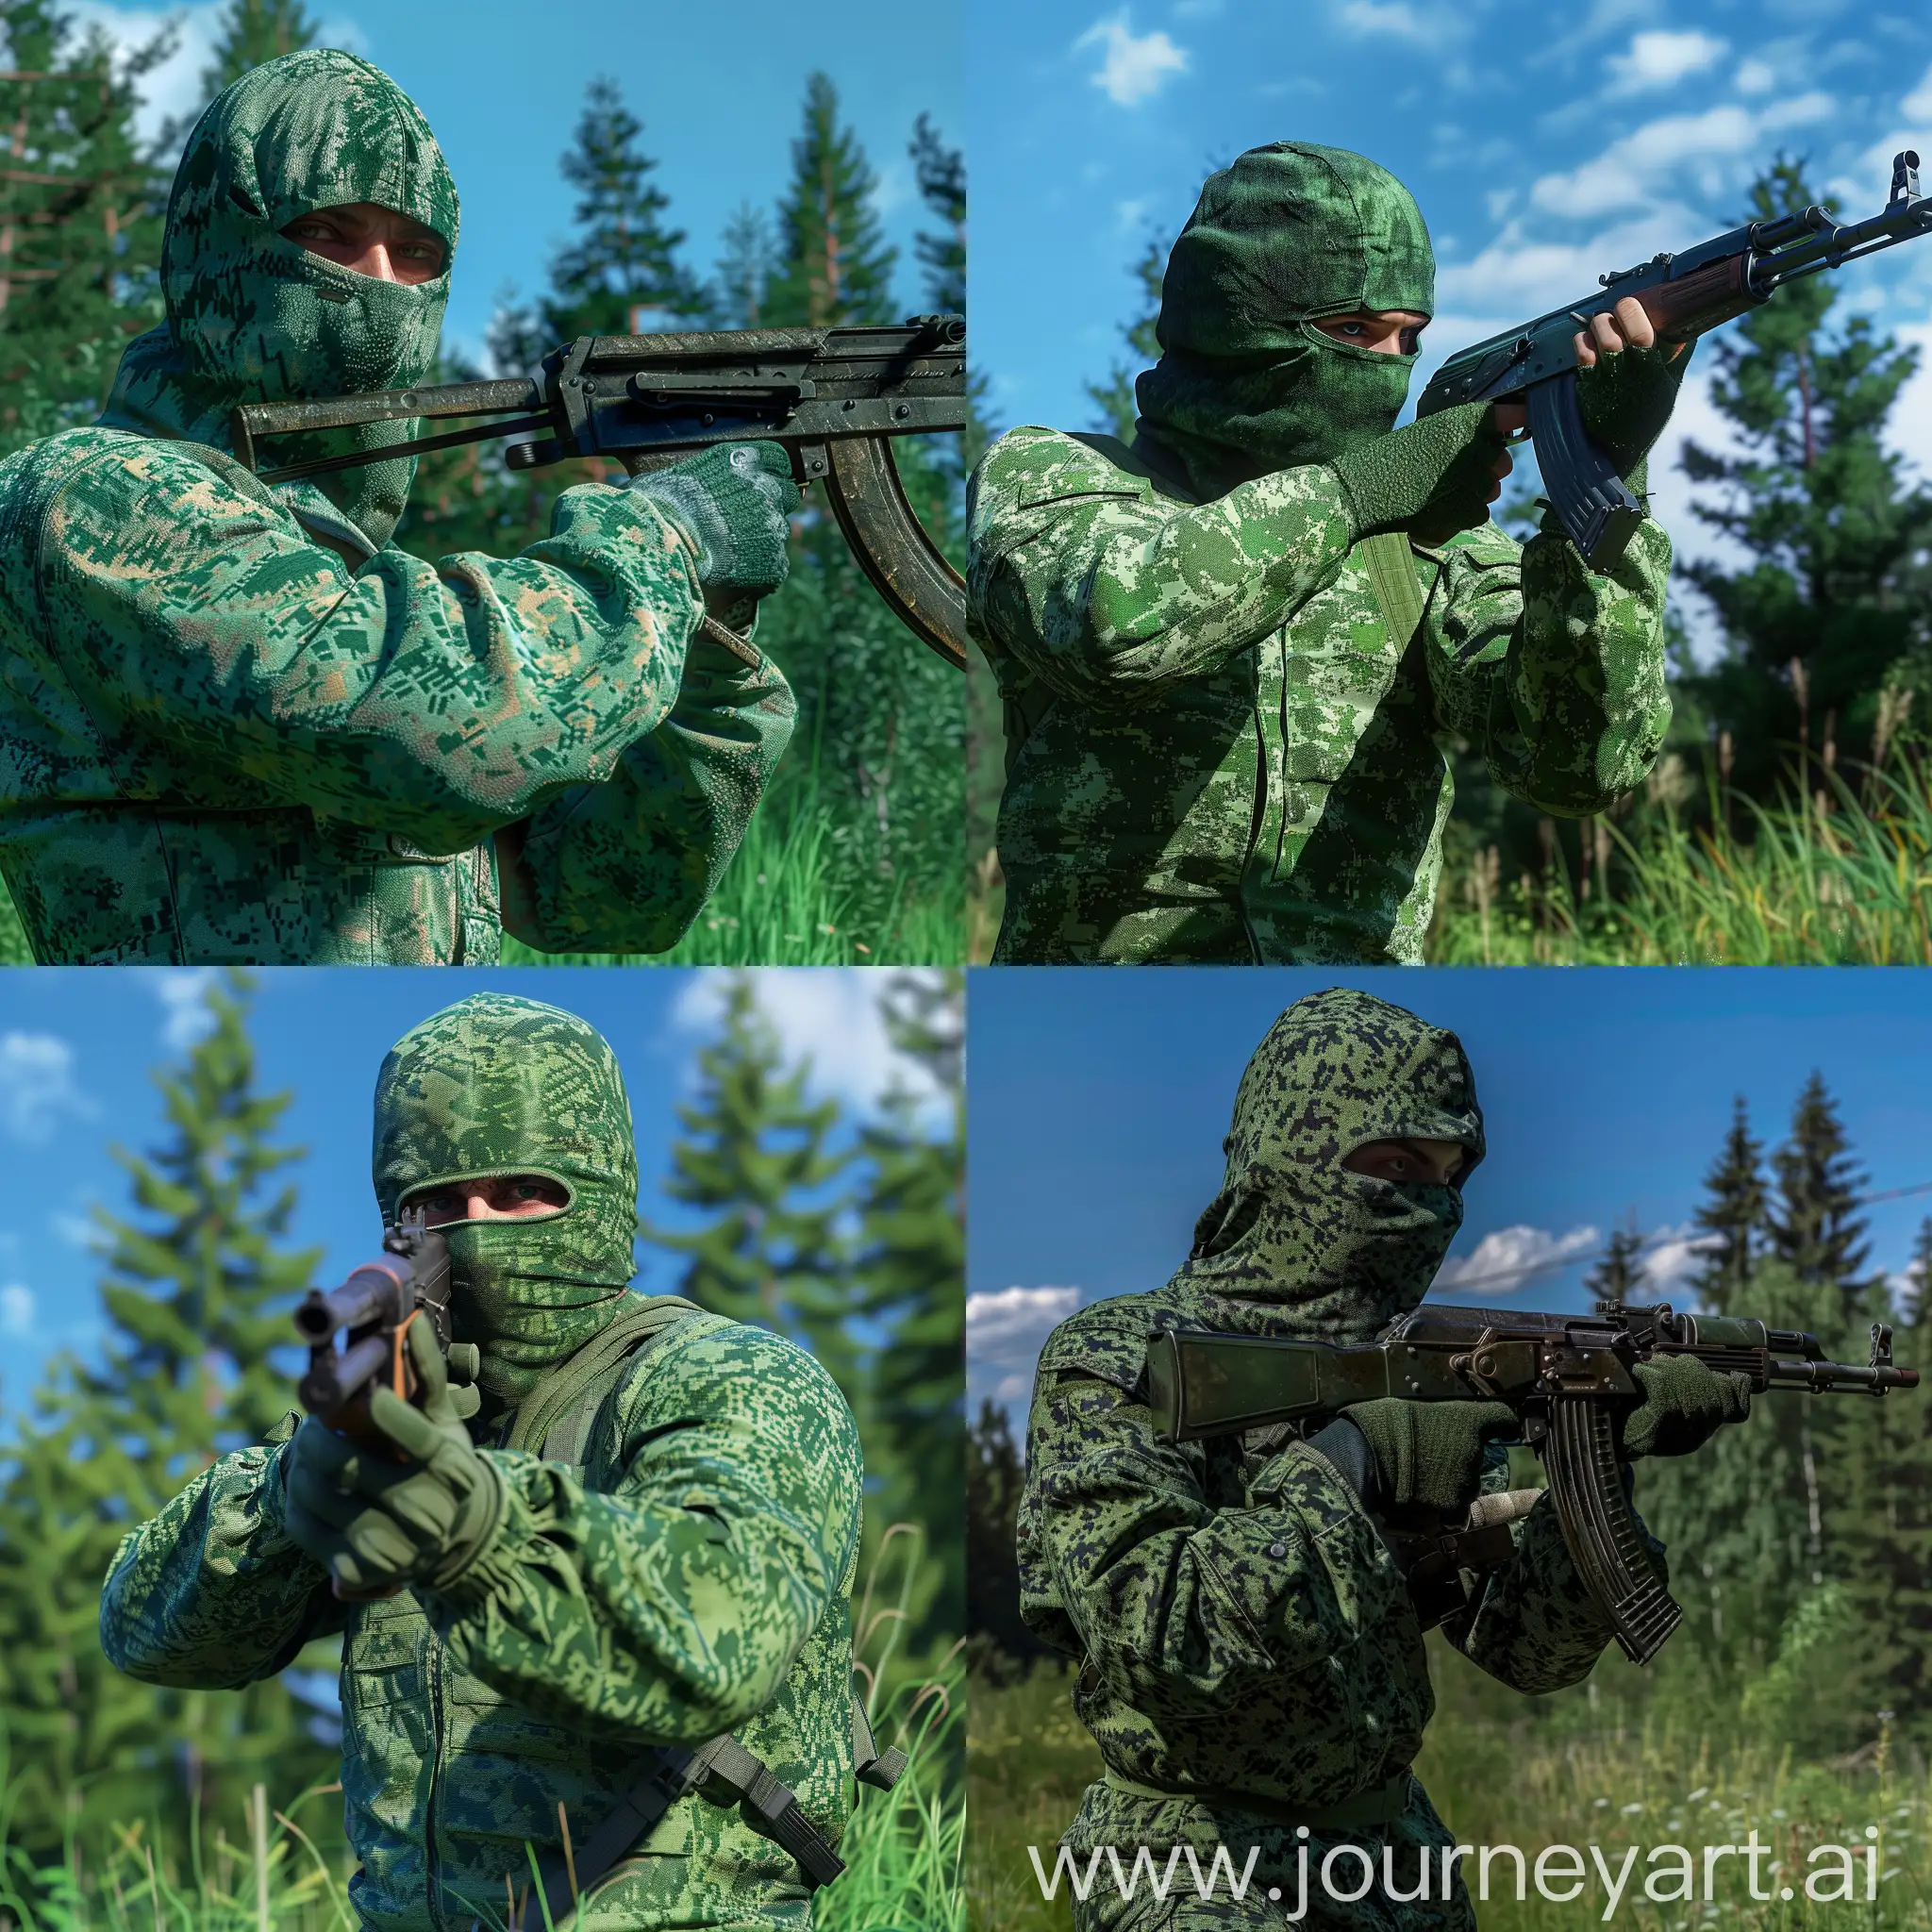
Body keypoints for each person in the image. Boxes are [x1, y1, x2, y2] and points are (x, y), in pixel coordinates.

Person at [0, 51, 799, 965]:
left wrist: (705, 634)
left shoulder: (339, 577)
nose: (380, 281)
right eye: (332, 235)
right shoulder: (93, 495)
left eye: (416, 254)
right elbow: (414, 729)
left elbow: (598, 895)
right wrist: (659, 541)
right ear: (217, 244)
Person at [100, 992, 868, 1930]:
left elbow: (720, 1629)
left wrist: (480, 1530)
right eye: (434, 1202)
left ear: (603, 1186)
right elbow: (142, 1628)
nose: (475, 1228)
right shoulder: (384, 1402)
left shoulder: (727, 1375)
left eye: (519, 1192)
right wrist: (282, 1495)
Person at [1016, 987, 1750, 1928]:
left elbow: (1526, 1651)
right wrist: (1360, 1456)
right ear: (1293, 1149)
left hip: (1395, 1865)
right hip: (1192, 1864)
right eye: (1395, 1163)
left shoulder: (1417, 1371)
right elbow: (1156, 1633)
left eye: (1447, 1177)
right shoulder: (1124, 1357)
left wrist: (1589, 1453)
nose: (1426, 1205)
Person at [969, 142, 1689, 964]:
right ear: (1235, 322)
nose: (1386, 369)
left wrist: (1607, 482)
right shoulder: (1057, 474)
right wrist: (1353, 496)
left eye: (1407, 337)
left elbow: (1574, 763)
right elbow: (1112, 627)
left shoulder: (1435, 545)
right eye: (1352, 330)